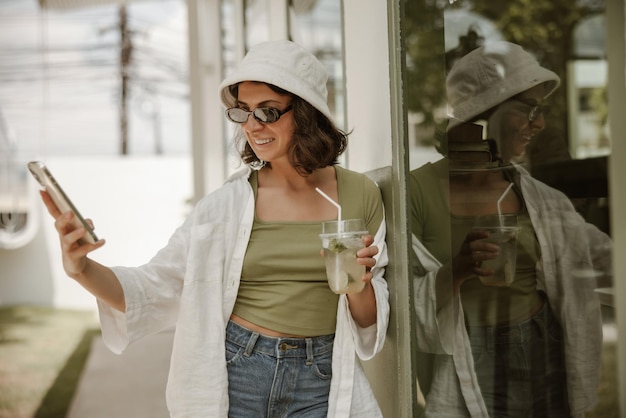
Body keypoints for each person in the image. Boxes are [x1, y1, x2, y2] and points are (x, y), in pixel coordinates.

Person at [40, 40, 389, 417]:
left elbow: (369, 321)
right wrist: (81, 269)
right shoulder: (225, 206)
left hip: (322, 375)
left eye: (268, 112)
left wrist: (359, 282)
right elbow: (154, 286)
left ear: (305, 113)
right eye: (243, 113)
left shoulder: (359, 195)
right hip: (239, 371)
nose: (253, 126)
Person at [409, 41, 612, 417]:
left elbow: (600, 254)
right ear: (483, 115)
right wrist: (458, 270)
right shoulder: (415, 193)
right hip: (471, 353)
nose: (541, 123)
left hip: (542, 340)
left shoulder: (534, 194)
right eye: (530, 109)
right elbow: (396, 304)